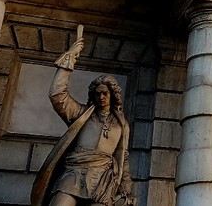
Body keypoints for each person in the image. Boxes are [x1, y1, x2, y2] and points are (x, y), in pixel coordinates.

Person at [31, 29, 134, 206]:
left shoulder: (121, 124)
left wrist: (126, 188)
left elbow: (122, 157)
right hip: (74, 173)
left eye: (105, 93)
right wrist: (69, 59)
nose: (101, 97)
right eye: (97, 94)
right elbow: (57, 95)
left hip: (103, 178)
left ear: (112, 95)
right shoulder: (81, 114)